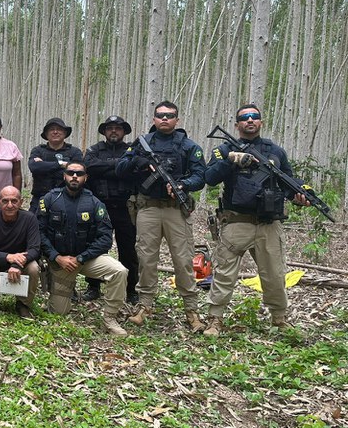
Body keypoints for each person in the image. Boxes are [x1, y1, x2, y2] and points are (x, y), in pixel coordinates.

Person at [202, 104, 308, 336]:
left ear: (261, 122)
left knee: (274, 274)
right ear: (236, 124)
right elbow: (209, 178)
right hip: (236, 221)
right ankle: (214, 319)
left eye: (255, 117)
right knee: (224, 273)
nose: (250, 120)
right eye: (245, 118)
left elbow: (288, 183)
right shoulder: (224, 149)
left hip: (269, 224)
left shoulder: (275, 152)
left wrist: (300, 196)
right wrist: (230, 159)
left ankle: (279, 319)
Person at [116, 101, 207, 332]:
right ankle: (144, 305)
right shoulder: (142, 144)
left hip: (176, 209)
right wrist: (140, 161)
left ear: (177, 120)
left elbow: (200, 176)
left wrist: (184, 184)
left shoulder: (188, 146)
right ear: (154, 118)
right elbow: (121, 167)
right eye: (160, 115)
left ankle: (192, 310)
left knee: (183, 260)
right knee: (146, 258)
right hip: (148, 208)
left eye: (170, 115)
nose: (165, 119)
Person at [37, 163, 129, 335]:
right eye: (70, 173)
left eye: (79, 174)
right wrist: (56, 257)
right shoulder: (50, 199)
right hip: (60, 261)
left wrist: (81, 258)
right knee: (59, 312)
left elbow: (105, 239)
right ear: (64, 176)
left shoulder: (95, 203)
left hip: (87, 260)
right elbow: (39, 233)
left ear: (85, 178)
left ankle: (110, 318)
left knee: (119, 271)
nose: (74, 176)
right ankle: (58, 292)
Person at [82, 115, 139, 304]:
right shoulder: (94, 150)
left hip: (125, 207)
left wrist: (105, 168)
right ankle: (93, 286)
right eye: (110, 128)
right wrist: (119, 167)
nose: (113, 131)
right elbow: (89, 167)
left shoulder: (132, 150)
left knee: (128, 250)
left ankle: (130, 289)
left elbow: (134, 169)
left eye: (118, 128)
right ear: (104, 131)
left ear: (124, 131)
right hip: (99, 207)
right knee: (95, 246)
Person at [0, 186, 41, 319]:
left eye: (14, 201)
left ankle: (23, 304)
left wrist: (16, 265)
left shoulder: (29, 219)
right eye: (5, 201)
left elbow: (35, 249)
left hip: (21, 267)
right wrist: (8, 257)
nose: (10, 205)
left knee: (34, 267)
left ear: (21, 202)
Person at [27, 117, 83, 213]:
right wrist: (62, 164)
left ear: (65, 133)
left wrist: (44, 166)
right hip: (40, 198)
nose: (55, 132)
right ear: (46, 134)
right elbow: (34, 167)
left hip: (67, 199)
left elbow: (76, 171)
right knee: (33, 225)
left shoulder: (74, 152)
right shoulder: (38, 150)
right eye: (52, 129)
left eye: (59, 129)